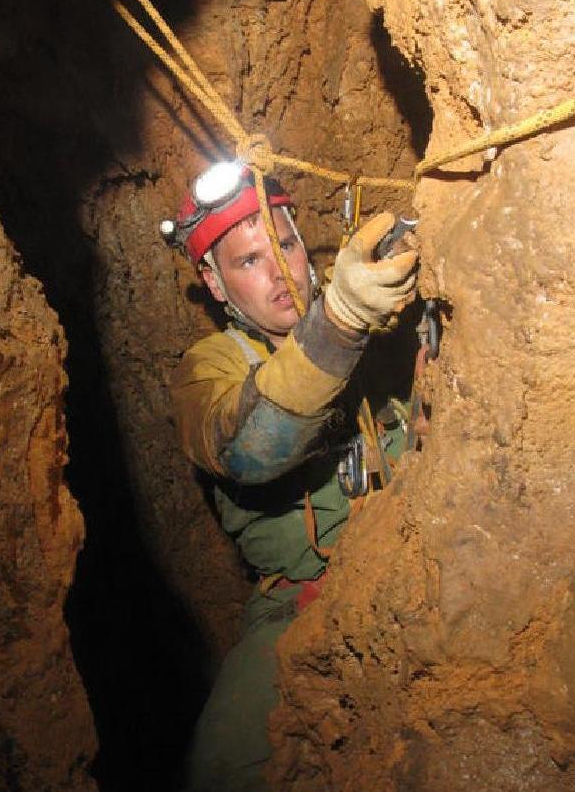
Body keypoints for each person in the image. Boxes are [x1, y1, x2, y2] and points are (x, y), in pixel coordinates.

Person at [168, 161, 418, 792]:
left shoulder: (370, 307)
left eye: (284, 244)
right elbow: (248, 449)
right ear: (216, 284)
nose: (280, 271)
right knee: (224, 769)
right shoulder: (206, 371)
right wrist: (339, 322)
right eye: (249, 261)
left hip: (412, 551)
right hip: (296, 602)